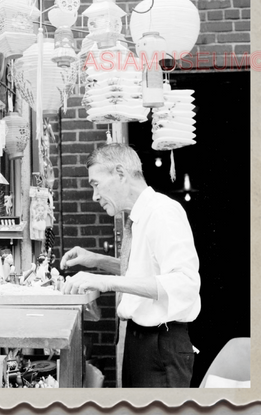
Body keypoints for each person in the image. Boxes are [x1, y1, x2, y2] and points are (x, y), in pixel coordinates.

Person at [61, 143, 201, 388]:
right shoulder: (140, 216)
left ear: (120, 173)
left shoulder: (162, 212)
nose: (94, 196)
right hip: (141, 343)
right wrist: (97, 260)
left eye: (95, 184)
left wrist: (105, 282)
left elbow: (184, 283)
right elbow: (143, 272)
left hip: (161, 345)